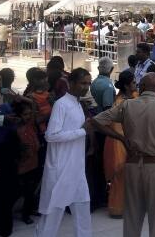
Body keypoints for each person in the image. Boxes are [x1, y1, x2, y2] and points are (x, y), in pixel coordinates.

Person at [91, 72, 155, 237]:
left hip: (132, 166)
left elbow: (96, 121)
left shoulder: (127, 105)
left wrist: (121, 138)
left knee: (132, 217)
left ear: (141, 87)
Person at [35, 67, 93, 237]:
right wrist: (82, 132)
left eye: (88, 83)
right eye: (83, 83)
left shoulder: (77, 103)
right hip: (61, 170)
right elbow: (51, 136)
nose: (86, 87)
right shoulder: (62, 104)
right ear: (71, 83)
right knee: (52, 216)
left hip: (77, 169)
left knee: (83, 210)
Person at [104, 70, 136, 218]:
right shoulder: (119, 103)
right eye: (134, 83)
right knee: (120, 173)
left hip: (134, 142)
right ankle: (117, 208)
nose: (136, 85)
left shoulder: (134, 97)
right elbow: (118, 130)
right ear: (126, 86)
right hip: (122, 143)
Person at [14, 100, 41, 225]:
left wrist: (24, 98)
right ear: (18, 116)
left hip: (34, 162)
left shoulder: (30, 124)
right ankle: (25, 214)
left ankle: (29, 211)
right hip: (22, 165)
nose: (29, 116)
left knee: (32, 189)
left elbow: (34, 105)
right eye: (25, 114)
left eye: (30, 114)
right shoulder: (15, 129)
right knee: (24, 191)